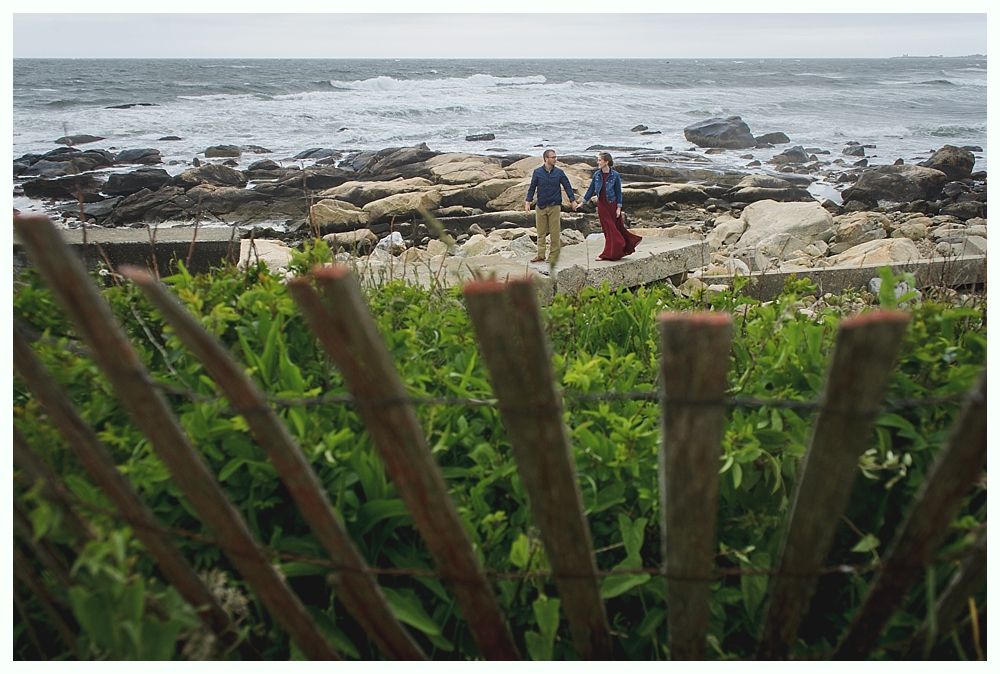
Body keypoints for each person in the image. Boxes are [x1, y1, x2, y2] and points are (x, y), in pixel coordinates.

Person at [580, 152, 641, 261]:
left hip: (612, 205)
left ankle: (617, 248)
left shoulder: (615, 175)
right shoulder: (597, 175)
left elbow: (618, 192)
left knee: (617, 228)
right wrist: (583, 202)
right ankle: (610, 251)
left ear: (606, 161)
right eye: (598, 160)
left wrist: (619, 208)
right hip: (602, 205)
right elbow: (591, 190)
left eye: (599, 160)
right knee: (608, 229)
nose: (598, 162)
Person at [525, 149, 577, 263]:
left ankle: (553, 255)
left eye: (555, 157)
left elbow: (567, 186)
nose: (555, 159)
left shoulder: (559, 172)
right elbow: (532, 187)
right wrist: (528, 201)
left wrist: (572, 200)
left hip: (555, 206)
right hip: (541, 206)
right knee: (540, 233)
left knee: (554, 233)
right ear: (546, 159)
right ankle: (540, 255)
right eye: (552, 157)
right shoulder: (537, 172)